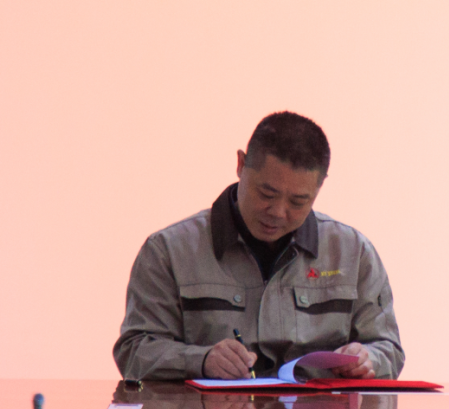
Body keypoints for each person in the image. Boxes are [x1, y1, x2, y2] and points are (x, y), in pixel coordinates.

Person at [114, 112, 404, 381]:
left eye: (298, 202)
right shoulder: (169, 251)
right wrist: (201, 360)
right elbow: (133, 351)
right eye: (266, 194)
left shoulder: (353, 253)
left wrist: (368, 360)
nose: (277, 212)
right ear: (240, 165)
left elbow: (389, 349)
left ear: (319, 189)